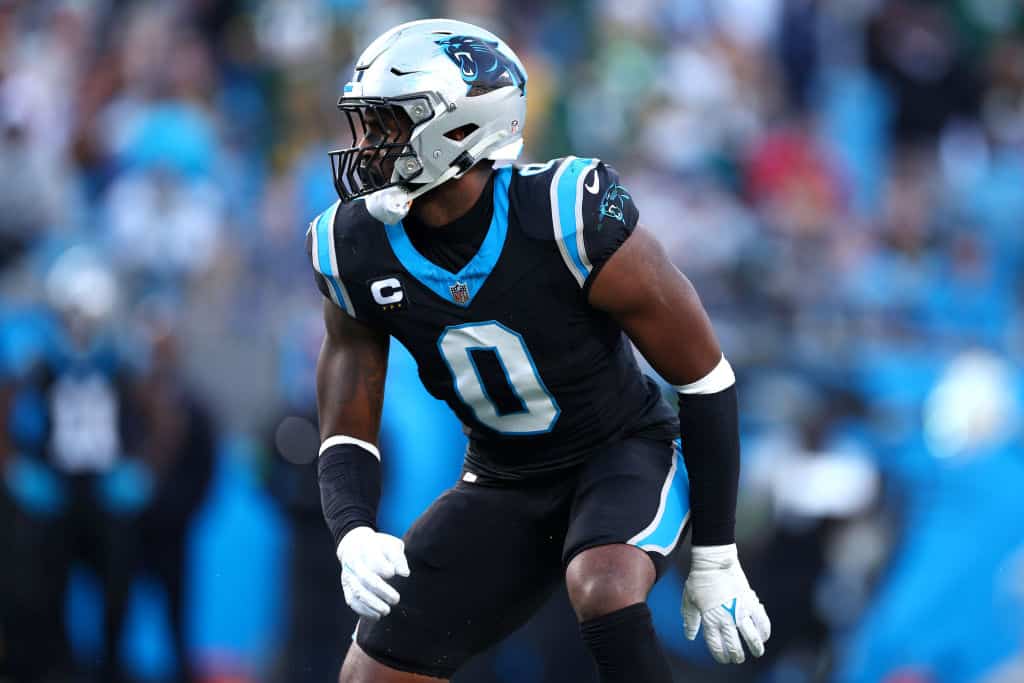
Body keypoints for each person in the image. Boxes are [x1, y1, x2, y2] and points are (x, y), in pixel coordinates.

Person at [305, 19, 771, 683]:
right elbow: (347, 419)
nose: (370, 146)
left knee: (603, 583)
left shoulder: (565, 214)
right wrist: (352, 530)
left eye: (390, 125)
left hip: (621, 449)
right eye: (369, 125)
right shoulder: (353, 247)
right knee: (370, 674)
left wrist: (717, 552)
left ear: (461, 127)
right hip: (504, 477)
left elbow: (704, 378)